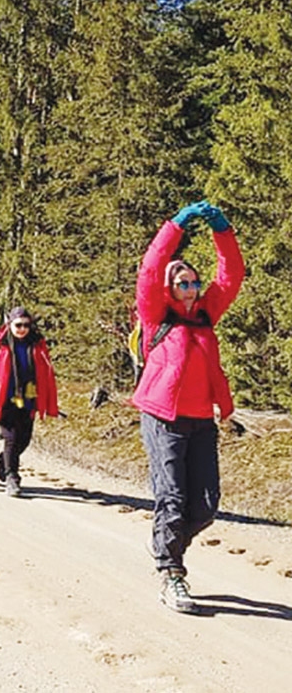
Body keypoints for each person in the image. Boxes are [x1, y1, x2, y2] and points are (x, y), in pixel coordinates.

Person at [132, 200, 244, 614]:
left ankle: (165, 541)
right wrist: (174, 226)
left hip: (201, 418)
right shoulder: (155, 314)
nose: (191, 288)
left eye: (194, 282)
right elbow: (149, 269)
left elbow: (231, 275)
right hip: (162, 417)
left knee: (206, 505)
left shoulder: (205, 315)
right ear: (168, 289)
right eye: (182, 283)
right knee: (173, 498)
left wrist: (222, 230)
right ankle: (171, 573)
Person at [0, 307, 59, 497]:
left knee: (24, 439)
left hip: (28, 398)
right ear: (9, 325)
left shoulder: (37, 345)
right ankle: (12, 477)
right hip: (4, 399)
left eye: (26, 325)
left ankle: (4, 460)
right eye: (18, 325)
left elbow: (46, 375)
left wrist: (48, 401)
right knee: (11, 438)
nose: (22, 329)